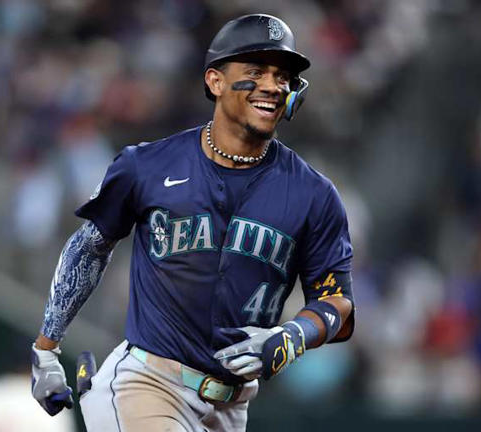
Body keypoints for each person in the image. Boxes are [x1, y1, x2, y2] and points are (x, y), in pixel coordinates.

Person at [30, 13, 355, 432]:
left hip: (232, 408)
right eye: (255, 72)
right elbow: (90, 246)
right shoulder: (145, 166)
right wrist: (47, 348)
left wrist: (294, 335)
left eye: (283, 76)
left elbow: (338, 303)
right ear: (216, 81)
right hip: (148, 382)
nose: (273, 86)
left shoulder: (315, 194)